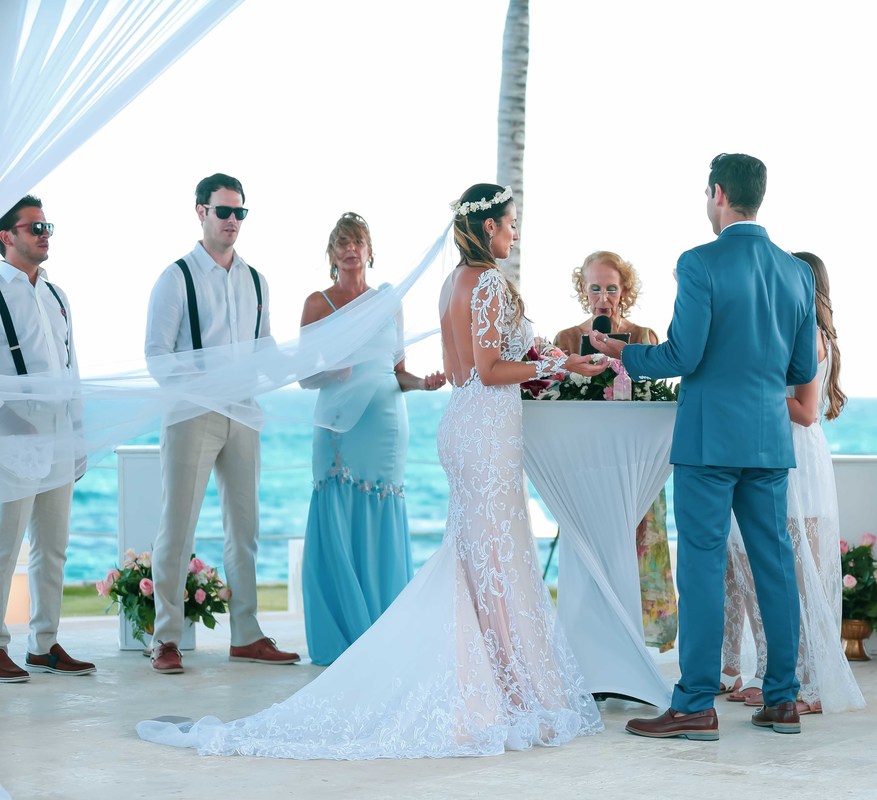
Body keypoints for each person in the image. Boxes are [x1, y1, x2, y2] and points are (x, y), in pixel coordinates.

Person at [137, 183, 606, 758]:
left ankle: (485, 673)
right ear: (487, 227)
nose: (514, 233)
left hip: (456, 425)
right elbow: (486, 369)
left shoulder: (447, 283)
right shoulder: (483, 283)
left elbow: (453, 372)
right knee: (491, 558)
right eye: (510, 223)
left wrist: (540, 363)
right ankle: (496, 678)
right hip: (478, 431)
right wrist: (556, 370)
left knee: (478, 559)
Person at [591, 153, 816, 738]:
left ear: (718, 194)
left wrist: (622, 354)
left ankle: (694, 703)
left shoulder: (699, 263)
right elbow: (799, 365)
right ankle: (784, 699)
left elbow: (682, 356)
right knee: (774, 565)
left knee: (701, 566)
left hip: (709, 440)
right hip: (768, 440)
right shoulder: (797, 273)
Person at [144, 173, 298, 674]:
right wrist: (204, 382)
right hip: (192, 416)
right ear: (201, 212)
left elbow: (265, 346)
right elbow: (156, 356)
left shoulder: (257, 280)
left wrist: (302, 364)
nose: (232, 221)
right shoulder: (176, 278)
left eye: (239, 213)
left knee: (245, 529)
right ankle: (165, 639)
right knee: (177, 526)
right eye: (223, 211)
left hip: (245, 415)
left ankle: (247, 635)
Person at [298, 212, 445, 666]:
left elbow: (397, 372)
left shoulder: (388, 301)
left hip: (385, 426)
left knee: (381, 516)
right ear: (332, 253)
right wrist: (333, 371)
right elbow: (305, 376)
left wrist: (424, 384)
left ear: (369, 250)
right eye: (342, 242)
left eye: (358, 241)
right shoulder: (318, 303)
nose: (351, 249)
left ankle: (383, 630)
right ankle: (342, 630)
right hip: (338, 427)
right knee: (337, 517)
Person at [720, 252, 864, 715]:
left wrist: (755, 388)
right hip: (771, 452)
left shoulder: (813, 338)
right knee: (764, 578)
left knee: (799, 581)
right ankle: (772, 674)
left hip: (797, 459)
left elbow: (804, 411)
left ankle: (811, 687)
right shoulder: (791, 331)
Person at [553, 251, 676, 652]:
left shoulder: (643, 337)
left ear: (624, 291)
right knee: (592, 556)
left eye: (611, 288)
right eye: (595, 288)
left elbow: (656, 400)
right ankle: (590, 648)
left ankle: (632, 649)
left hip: (634, 465)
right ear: (583, 290)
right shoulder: (566, 340)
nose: (603, 296)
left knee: (637, 556)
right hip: (587, 465)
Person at [0, 195, 95, 683]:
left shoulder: (58, 296)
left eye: (46, 225)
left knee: (53, 545)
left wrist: (77, 434)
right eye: (34, 226)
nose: (44, 233)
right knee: (4, 546)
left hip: (58, 433)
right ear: (6, 236)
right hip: (11, 434)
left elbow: (71, 366)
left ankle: (44, 645)